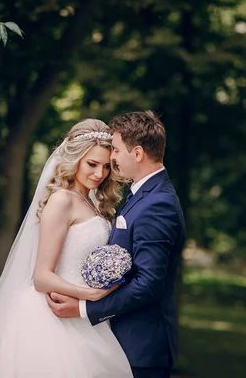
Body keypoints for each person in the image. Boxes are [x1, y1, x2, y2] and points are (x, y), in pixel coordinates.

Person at [0, 119, 133, 377]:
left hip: (83, 315)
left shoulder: (92, 203)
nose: (99, 174)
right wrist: (88, 295)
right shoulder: (61, 201)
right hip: (52, 314)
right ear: (74, 160)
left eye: (106, 166)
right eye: (91, 164)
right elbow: (42, 278)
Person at [46, 111, 186, 378]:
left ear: (137, 153)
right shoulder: (141, 194)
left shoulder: (158, 204)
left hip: (142, 348)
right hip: (118, 341)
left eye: (117, 151)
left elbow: (149, 284)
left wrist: (85, 308)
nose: (112, 157)